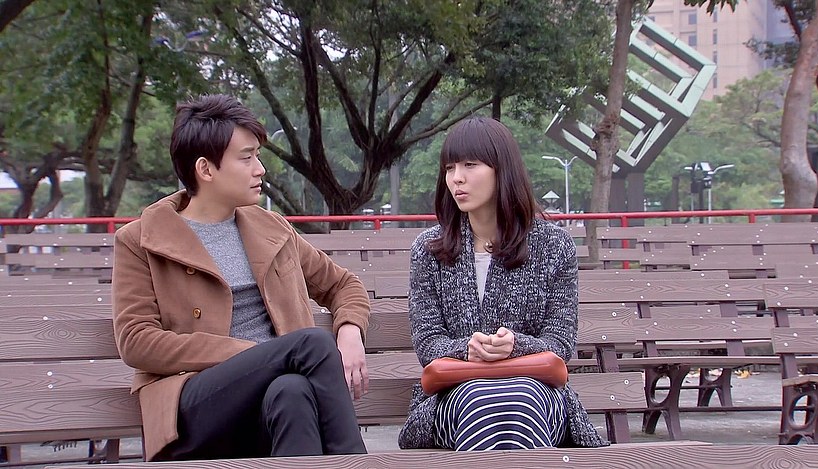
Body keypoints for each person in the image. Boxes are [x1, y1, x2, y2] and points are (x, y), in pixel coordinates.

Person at [112, 94, 370, 461]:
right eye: (246, 158)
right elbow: (137, 341)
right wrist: (256, 355)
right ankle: (355, 461)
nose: (260, 169)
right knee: (310, 344)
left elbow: (344, 285)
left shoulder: (272, 229)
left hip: (271, 399)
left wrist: (350, 330)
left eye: (257, 156)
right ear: (206, 169)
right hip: (194, 408)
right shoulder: (142, 240)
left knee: (293, 392)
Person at [398, 116, 608, 451]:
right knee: (481, 401)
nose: (457, 178)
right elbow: (429, 345)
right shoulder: (429, 250)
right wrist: (467, 350)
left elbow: (560, 343)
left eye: (470, 165)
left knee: (520, 400)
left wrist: (515, 346)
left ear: (502, 170)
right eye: (450, 168)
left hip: (537, 393)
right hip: (454, 395)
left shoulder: (554, 246)